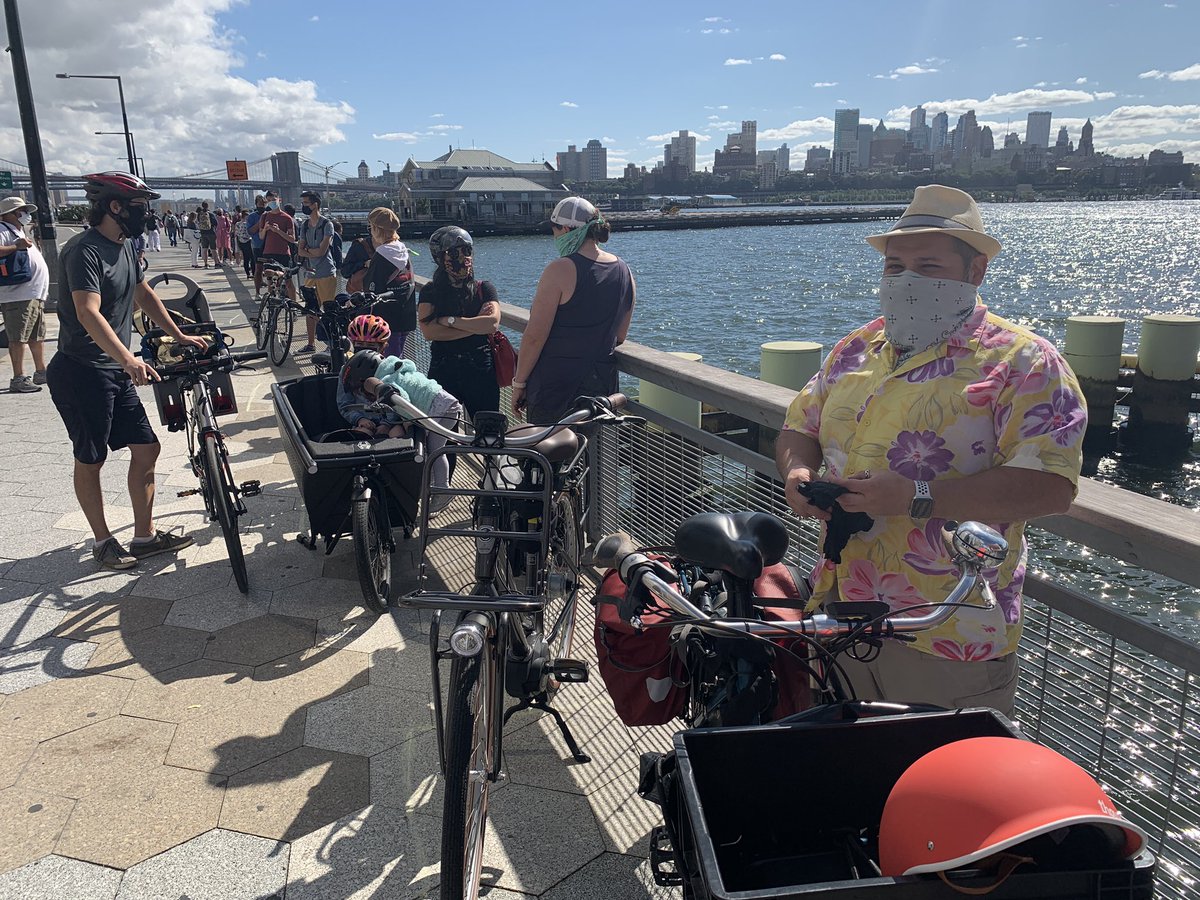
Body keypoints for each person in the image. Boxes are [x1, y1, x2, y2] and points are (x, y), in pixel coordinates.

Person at [775, 184, 1087, 718]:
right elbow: (797, 427)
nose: (907, 279)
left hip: (949, 628)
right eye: (895, 266)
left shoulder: (1024, 362)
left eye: (928, 264)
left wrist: (918, 495)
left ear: (975, 272)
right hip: (842, 606)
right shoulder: (858, 347)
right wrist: (798, 472)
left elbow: (1051, 486)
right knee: (842, 773)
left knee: (943, 784)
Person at [47, 172, 209, 570]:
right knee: (91, 458)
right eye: (139, 207)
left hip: (113, 368)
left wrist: (180, 333)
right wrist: (128, 359)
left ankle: (144, 537)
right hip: (81, 370)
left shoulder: (126, 245)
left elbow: (143, 293)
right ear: (115, 207)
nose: (146, 214)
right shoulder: (83, 251)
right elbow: (87, 311)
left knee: (146, 447)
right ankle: (102, 543)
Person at [511, 196, 635, 424]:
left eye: (555, 231)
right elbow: (620, 336)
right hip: (601, 386)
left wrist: (519, 383)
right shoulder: (623, 270)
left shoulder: (559, 269)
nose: (554, 237)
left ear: (567, 229)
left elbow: (534, 337)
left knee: (547, 455)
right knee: (590, 454)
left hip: (555, 385)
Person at [336, 315, 461, 513]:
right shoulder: (348, 370)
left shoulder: (387, 372)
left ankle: (432, 490)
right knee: (360, 438)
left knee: (423, 448)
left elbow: (400, 402)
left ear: (383, 348)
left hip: (414, 413)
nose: (366, 351)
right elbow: (344, 404)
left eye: (372, 347)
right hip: (373, 419)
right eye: (359, 347)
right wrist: (360, 418)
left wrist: (389, 422)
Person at [417, 226, 501, 421]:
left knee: (489, 429)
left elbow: (491, 324)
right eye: (454, 253)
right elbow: (429, 332)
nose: (463, 258)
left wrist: (450, 321)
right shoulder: (430, 291)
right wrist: (474, 326)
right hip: (443, 368)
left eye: (467, 251)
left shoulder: (484, 288)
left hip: (481, 368)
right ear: (440, 257)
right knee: (444, 433)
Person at [0, 195, 49, 393]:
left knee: (36, 335)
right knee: (18, 337)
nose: (26, 215)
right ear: (10, 214)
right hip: (17, 295)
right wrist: (16, 246)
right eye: (22, 211)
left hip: (31, 293)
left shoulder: (16, 230)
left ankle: (41, 370)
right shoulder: (3, 229)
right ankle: (18, 377)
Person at [362, 207, 415, 358]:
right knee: (400, 358)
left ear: (377, 229)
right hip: (406, 315)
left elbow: (371, 287)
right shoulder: (402, 249)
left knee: (389, 361)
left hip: (387, 319)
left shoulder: (381, 254)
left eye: (370, 227)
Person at [297, 190, 336, 353]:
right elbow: (300, 250)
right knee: (310, 309)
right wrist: (312, 250)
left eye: (306, 203)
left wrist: (309, 250)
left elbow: (322, 252)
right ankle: (311, 344)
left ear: (315, 205)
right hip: (310, 273)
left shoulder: (327, 224)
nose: (304, 206)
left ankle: (331, 345)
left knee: (329, 311)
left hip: (326, 272)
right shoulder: (305, 225)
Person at [258, 191, 298, 306]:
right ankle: (271, 305)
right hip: (268, 252)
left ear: (278, 200)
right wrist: (265, 229)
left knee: (288, 281)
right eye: (269, 200)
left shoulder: (287, 218)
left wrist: (278, 231)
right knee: (270, 280)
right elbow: (261, 236)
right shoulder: (265, 216)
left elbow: (292, 239)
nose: (271, 202)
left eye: (273, 200)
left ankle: (293, 307)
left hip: (283, 253)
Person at [195, 202, 216, 268]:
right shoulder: (210, 214)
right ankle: (216, 262)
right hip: (211, 233)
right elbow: (215, 223)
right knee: (213, 249)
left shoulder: (199, 215)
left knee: (204, 249)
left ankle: (206, 263)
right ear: (207, 206)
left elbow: (198, 223)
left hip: (203, 233)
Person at [235, 211, 254, 279]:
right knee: (252, 257)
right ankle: (253, 272)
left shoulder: (237, 224)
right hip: (248, 241)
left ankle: (248, 273)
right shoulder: (246, 224)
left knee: (246, 258)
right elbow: (250, 232)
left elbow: (236, 234)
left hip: (241, 242)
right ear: (245, 216)